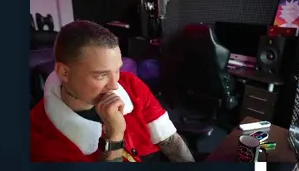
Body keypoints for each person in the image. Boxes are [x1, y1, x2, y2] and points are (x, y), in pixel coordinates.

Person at [30, 20, 195, 163]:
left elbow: (170, 140)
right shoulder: (40, 135)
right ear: (64, 72)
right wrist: (115, 134)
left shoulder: (129, 84)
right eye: (101, 75)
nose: (115, 85)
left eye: (117, 70)